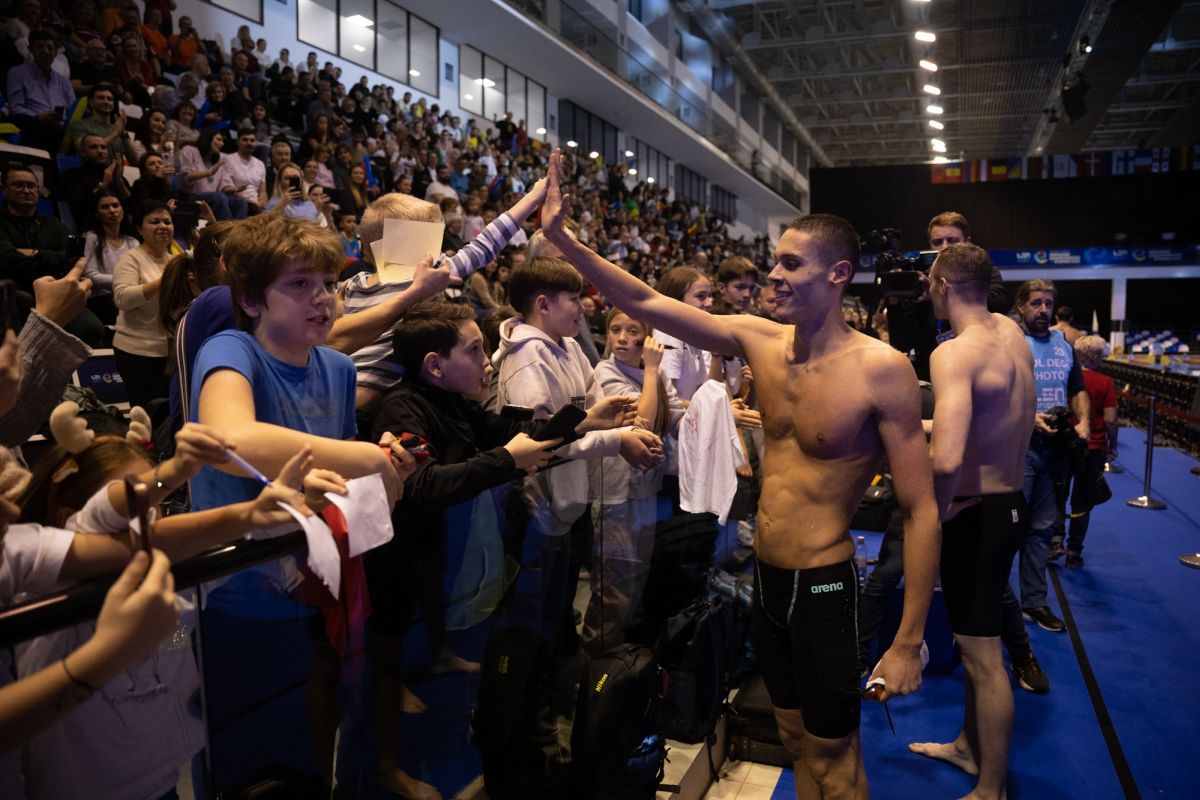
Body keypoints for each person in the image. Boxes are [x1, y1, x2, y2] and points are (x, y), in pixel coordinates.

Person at [540, 150, 939, 796]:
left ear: (839, 274)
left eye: (790, 264)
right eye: (774, 260)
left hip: (824, 590)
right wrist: (564, 240)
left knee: (837, 764)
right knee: (795, 741)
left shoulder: (881, 369)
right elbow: (644, 298)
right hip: (768, 581)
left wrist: (908, 639)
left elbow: (920, 508)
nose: (773, 276)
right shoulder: (757, 339)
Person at [189, 214, 414, 795]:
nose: (322, 299)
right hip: (235, 592)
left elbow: (334, 475)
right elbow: (228, 441)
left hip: (315, 585)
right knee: (242, 758)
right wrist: (364, 456)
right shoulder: (230, 349)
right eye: (298, 284)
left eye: (328, 284)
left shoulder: (338, 368)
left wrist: (386, 467)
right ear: (249, 298)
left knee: (312, 745)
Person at [367, 300, 567, 800]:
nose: (488, 361)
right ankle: (388, 771)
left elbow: (516, 438)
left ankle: (438, 676)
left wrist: (585, 423)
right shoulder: (402, 408)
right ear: (435, 364)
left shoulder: (455, 404)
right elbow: (423, 485)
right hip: (394, 567)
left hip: (438, 562)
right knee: (388, 673)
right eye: (475, 349)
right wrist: (505, 459)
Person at [905, 243, 1036, 799]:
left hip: (975, 515)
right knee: (972, 639)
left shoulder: (953, 353)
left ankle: (991, 788)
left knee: (984, 660)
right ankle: (967, 745)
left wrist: (933, 510)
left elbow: (950, 459)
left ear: (942, 285)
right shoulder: (1011, 332)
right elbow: (994, 422)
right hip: (1008, 503)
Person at [582, 308, 683, 654]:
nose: (622, 338)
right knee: (612, 591)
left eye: (631, 330)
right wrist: (653, 369)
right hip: (613, 495)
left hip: (646, 491)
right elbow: (643, 423)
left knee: (635, 583)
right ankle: (593, 672)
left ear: (649, 337)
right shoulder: (604, 371)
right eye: (615, 330)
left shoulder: (657, 375)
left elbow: (677, 419)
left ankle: (618, 668)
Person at [1013, 279, 1090, 633]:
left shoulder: (1064, 345)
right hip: (1018, 450)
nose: (1043, 310)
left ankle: (1035, 601)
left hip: (1055, 450)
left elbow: (1077, 389)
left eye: (1048, 303)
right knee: (1009, 530)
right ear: (1021, 307)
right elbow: (995, 395)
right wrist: (1027, 418)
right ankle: (996, 603)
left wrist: (1085, 421)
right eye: (1035, 303)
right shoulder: (1011, 343)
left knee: (1043, 530)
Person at [112, 200, 178, 408]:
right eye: (154, 222)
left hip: (167, 352)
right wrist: (164, 280)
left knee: (166, 416)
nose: (162, 226)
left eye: (167, 222)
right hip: (136, 351)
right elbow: (122, 298)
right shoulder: (130, 259)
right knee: (145, 416)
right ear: (140, 229)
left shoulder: (174, 260)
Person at [1059, 335, 1117, 569]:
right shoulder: (1105, 382)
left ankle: (1054, 541)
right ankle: (1074, 551)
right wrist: (1113, 446)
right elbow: (1111, 420)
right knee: (1082, 502)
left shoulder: (1065, 378)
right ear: (1096, 357)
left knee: (1058, 495)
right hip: (1093, 448)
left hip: (1064, 444)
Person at [5, 29, 75, 153]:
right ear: (31, 49)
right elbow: (16, 108)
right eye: (40, 47)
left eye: (50, 47)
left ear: (55, 52)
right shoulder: (17, 73)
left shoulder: (64, 81)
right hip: (32, 126)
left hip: (61, 129)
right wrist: (39, 117)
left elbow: (72, 108)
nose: (46, 51)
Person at [926, 212, 1008, 313]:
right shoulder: (922, 275)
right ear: (930, 244)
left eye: (952, 240)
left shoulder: (983, 268)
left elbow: (999, 302)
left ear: (967, 242)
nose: (944, 247)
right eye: (938, 242)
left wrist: (942, 294)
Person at [81, 188, 138, 325]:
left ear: (123, 210)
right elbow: (90, 276)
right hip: (101, 297)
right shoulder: (91, 238)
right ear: (96, 213)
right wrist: (124, 282)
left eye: (115, 205)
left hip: (128, 294)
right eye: (105, 207)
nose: (112, 210)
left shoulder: (132, 241)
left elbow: (139, 273)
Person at [61, 132, 130, 233]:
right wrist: (104, 183)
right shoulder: (72, 175)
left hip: (122, 231)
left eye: (103, 147)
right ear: (82, 153)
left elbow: (131, 207)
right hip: (91, 230)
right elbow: (80, 207)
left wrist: (118, 180)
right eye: (93, 147)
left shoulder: (114, 174)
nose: (100, 151)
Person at [221, 128, 269, 213]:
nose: (249, 143)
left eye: (252, 140)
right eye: (245, 140)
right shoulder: (228, 159)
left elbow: (263, 192)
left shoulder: (260, 164)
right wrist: (253, 204)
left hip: (256, 206)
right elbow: (229, 190)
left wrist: (261, 204)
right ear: (237, 142)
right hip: (236, 202)